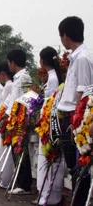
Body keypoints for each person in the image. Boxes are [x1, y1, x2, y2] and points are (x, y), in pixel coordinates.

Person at [57, 16, 93, 206]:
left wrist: (76, 122)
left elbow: (84, 91)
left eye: (60, 36)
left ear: (66, 36)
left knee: (78, 166)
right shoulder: (76, 57)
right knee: (73, 166)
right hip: (69, 115)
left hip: (74, 117)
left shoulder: (83, 58)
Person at [34, 46, 64, 205]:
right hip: (46, 120)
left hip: (49, 122)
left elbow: (51, 102)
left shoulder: (53, 79)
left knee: (47, 157)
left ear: (43, 61)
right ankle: (44, 194)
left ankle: (49, 196)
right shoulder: (52, 77)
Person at [6, 49, 33, 195]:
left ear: (13, 62)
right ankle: (21, 182)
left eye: (9, 62)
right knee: (16, 151)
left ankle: (24, 184)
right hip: (13, 120)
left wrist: (21, 120)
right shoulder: (18, 78)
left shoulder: (24, 78)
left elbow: (26, 100)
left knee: (21, 151)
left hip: (20, 120)